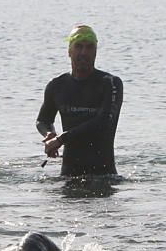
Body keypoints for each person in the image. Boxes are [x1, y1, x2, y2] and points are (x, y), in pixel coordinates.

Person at [36, 24, 124, 176]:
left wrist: (61, 139)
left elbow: (102, 122)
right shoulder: (57, 85)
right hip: (68, 175)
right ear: (69, 51)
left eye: (89, 47)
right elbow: (43, 120)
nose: (84, 52)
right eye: (78, 46)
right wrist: (49, 134)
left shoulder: (110, 83)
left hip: (103, 176)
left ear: (95, 52)